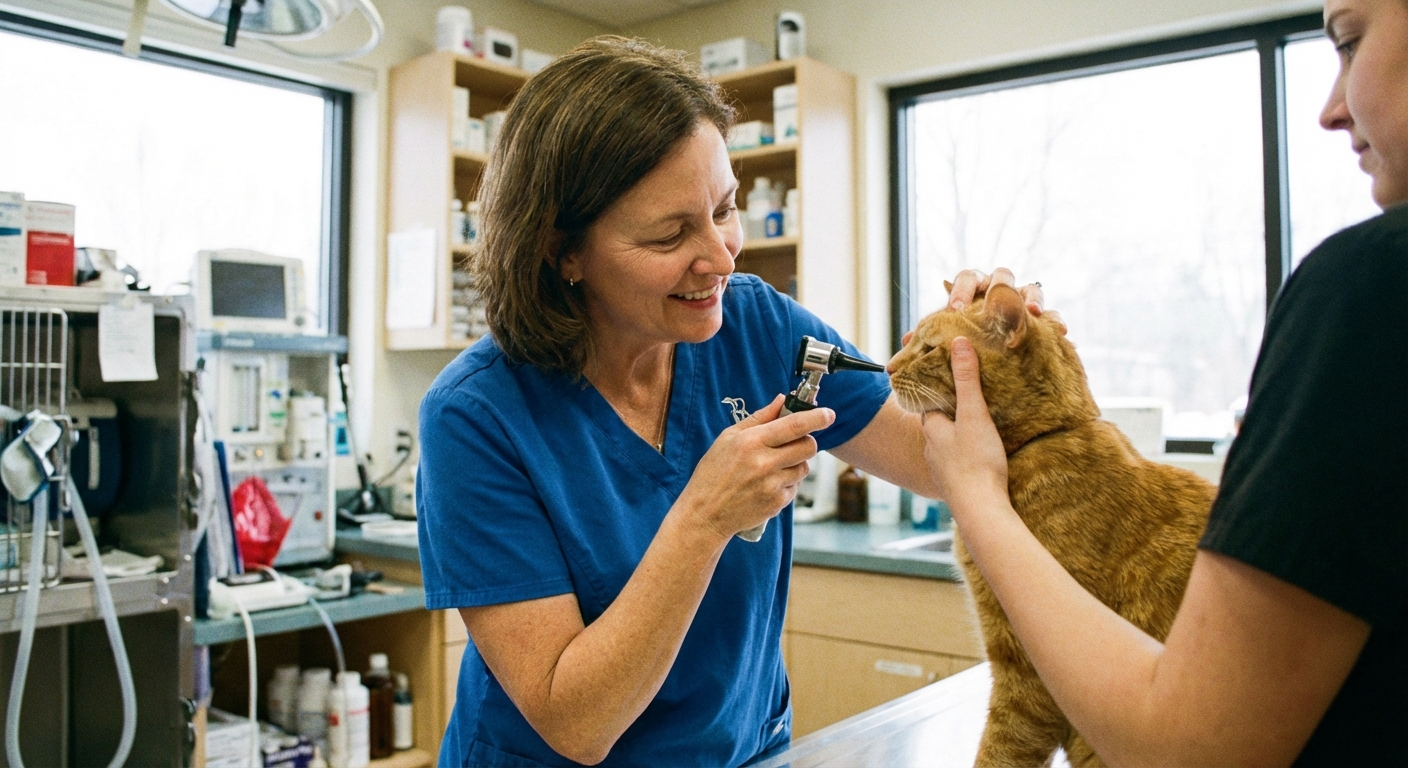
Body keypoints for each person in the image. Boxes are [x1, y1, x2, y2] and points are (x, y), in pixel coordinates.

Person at [416, 37, 1041, 767]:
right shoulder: (477, 415)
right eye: (671, 233)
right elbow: (575, 723)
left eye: (725, 208)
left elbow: (943, 466)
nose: (720, 255)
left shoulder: (757, 326)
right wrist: (705, 516)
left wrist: (998, 359)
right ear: (564, 252)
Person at [918, 1, 1406, 765]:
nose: (1330, 110)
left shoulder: (1375, 282)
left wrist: (977, 497)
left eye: (1349, 43)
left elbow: (1190, 752)